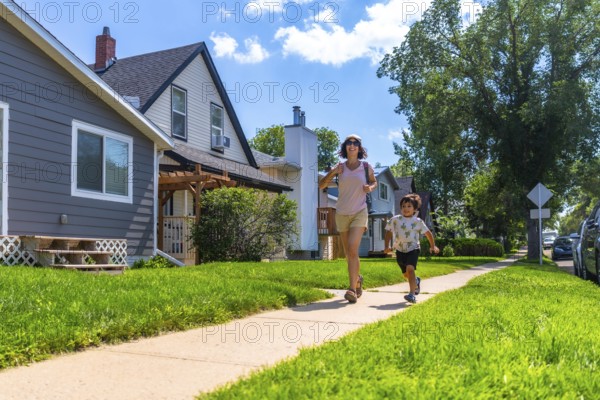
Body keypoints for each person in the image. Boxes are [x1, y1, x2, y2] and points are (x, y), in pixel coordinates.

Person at [319, 134, 377, 303]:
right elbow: (322, 185)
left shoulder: (366, 167)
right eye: (349, 143)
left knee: (352, 249)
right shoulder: (340, 168)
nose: (352, 145)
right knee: (348, 254)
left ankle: (351, 289)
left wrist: (370, 188)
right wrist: (333, 172)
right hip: (342, 212)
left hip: (360, 211)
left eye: (355, 143)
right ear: (345, 147)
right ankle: (357, 279)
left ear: (359, 148)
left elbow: (375, 182)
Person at [384, 193, 439, 304]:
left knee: (410, 269)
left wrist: (433, 246)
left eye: (409, 206)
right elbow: (388, 233)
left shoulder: (417, 221)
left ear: (414, 208)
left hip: (413, 248)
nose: (406, 209)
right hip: (399, 250)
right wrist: (386, 246)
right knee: (406, 274)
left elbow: (428, 233)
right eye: (403, 206)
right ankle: (416, 281)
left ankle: (412, 294)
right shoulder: (395, 220)